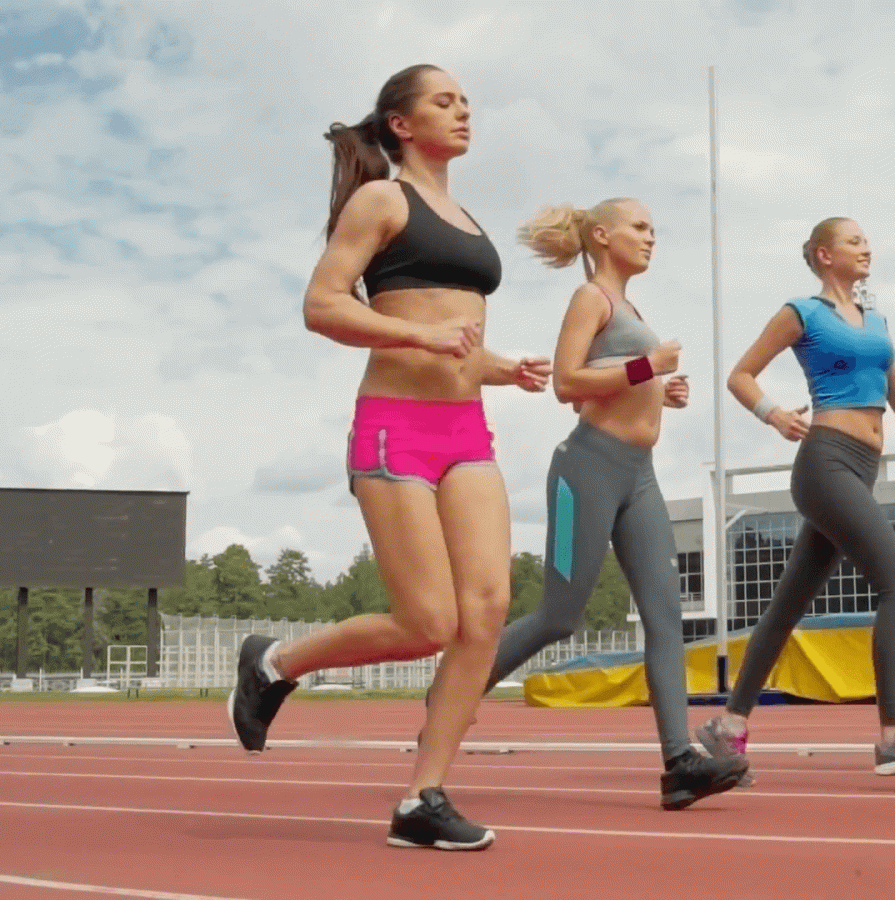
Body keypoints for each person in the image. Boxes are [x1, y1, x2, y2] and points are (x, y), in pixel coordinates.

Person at [226, 63, 551, 851]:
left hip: (466, 429)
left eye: (468, 101)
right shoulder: (382, 199)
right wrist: (419, 336)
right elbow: (323, 304)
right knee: (427, 621)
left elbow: (455, 332)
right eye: (445, 101)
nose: (464, 112)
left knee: (485, 612)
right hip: (394, 427)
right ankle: (275, 662)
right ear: (402, 125)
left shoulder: (466, 217)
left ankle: (423, 796)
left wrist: (497, 364)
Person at [466, 197, 749, 810]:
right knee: (558, 617)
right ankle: (452, 697)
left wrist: (657, 386)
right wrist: (649, 365)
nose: (652, 237)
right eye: (640, 227)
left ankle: (679, 763)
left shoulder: (631, 307)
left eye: (654, 227)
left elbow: (612, 377)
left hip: (638, 476)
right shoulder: (590, 298)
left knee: (666, 617)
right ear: (601, 235)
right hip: (586, 470)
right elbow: (568, 384)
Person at [696, 217, 895, 779]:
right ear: (823, 254)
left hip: (863, 467)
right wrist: (773, 414)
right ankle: (892, 737)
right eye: (854, 241)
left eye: (868, 240)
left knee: (789, 604)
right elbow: (741, 374)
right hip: (825, 461)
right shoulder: (802, 313)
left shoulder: (879, 321)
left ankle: (728, 726)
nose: (867, 248)